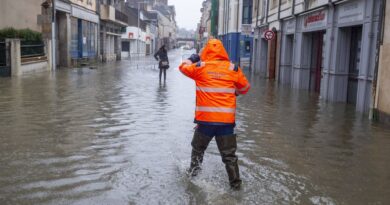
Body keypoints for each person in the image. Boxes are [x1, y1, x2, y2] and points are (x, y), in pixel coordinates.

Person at [179, 39, 250, 190]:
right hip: (226, 123)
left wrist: (193, 58)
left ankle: (193, 177)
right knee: (229, 156)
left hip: (205, 122)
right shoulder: (233, 69)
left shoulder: (200, 67)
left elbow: (182, 66)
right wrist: (234, 92)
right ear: (223, 51)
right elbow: (245, 88)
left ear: (206, 51)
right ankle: (236, 186)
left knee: (198, 150)